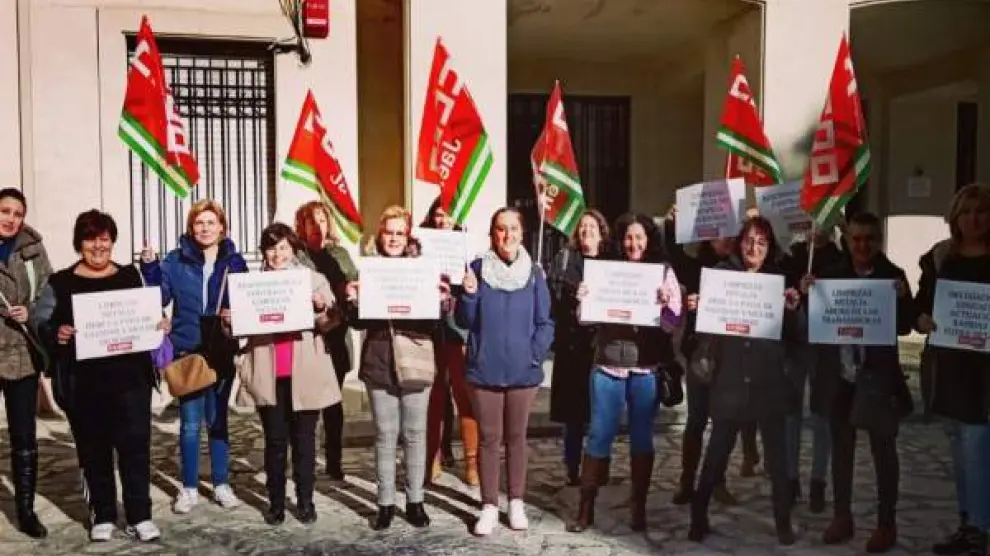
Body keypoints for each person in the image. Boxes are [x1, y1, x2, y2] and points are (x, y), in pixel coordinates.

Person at [44, 210, 167, 542]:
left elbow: (150, 314)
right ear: (78, 243)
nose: (98, 246)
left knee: (135, 448)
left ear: (112, 241)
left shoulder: (130, 275)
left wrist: (160, 324)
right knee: (93, 449)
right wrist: (58, 333)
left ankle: (140, 515)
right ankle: (103, 514)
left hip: (132, 381)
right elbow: (44, 325)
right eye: (90, 239)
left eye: (104, 239)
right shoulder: (61, 282)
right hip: (84, 383)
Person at [802, 212, 914, 553]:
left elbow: (905, 326)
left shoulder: (893, 275)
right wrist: (808, 293)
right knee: (842, 449)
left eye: (869, 238)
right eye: (856, 238)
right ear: (847, 240)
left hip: (877, 377)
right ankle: (842, 516)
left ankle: (886, 523)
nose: (863, 245)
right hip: (841, 375)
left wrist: (903, 299)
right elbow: (815, 322)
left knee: (883, 451)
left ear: (879, 240)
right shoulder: (830, 275)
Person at [688, 216, 804, 546]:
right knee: (717, 452)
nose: (754, 247)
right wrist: (698, 307)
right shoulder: (721, 275)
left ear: (770, 248)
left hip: (769, 380)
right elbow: (706, 328)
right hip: (730, 378)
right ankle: (698, 514)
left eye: (762, 242)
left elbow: (797, 335)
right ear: (739, 243)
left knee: (777, 458)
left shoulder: (778, 281)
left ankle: (782, 520)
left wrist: (793, 311)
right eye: (749, 240)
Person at [567, 212, 682, 533]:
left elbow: (673, 323)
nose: (634, 244)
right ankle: (586, 507)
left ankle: (638, 507)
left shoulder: (663, 272)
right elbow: (585, 318)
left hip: (645, 369)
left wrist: (665, 305)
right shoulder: (606, 270)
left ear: (649, 240)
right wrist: (583, 300)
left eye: (639, 237)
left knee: (642, 437)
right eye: (629, 238)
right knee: (600, 433)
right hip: (608, 365)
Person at [232, 223, 343, 525]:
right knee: (275, 442)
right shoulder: (252, 285)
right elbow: (238, 329)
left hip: (304, 373)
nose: (277, 254)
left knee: (305, 442)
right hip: (269, 373)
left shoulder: (314, 280)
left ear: (293, 250)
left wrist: (321, 308)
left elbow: (331, 323)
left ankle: (305, 500)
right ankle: (276, 503)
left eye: (283, 247)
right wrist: (230, 321)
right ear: (263, 252)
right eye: (271, 248)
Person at [141, 199, 247, 514]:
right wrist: (149, 267)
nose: (205, 228)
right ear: (191, 227)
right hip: (188, 351)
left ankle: (221, 484)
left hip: (221, 350)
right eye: (199, 223)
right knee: (189, 424)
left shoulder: (234, 261)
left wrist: (235, 314)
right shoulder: (175, 261)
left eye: (211, 222)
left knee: (218, 421)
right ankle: (188, 488)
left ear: (222, 227)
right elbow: (158, 296)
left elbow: (246, 300)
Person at [346, 205, 448, 530]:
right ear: (380, 235)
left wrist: (440, 302)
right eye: (389, 233)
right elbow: (358, 322)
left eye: (399, 233)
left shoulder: (423, 270)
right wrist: (352, 299)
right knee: (385, 435)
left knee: (415, 434)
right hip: (379, 361)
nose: (393, 239)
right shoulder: (369, 269)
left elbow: (433, 324)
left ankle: (415, 501)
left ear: (408, 237)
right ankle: (385, 503)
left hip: (415, 360)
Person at [457, 207, 554, 536]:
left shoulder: (534, 274)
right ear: (492, 234)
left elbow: (545, 321)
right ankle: (488, 505)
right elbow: (464, 321)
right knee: (488, 439)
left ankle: (515, 502)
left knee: (516, 438)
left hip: (522, 372)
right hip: (485, 370)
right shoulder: (476, 269)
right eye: (501, 228)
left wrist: (534, 353)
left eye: (513, 228)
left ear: (522, 233)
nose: (507, 235)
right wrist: (469, 296)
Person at [915, 183, 990, 556]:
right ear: (955, 218)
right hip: (949, 368)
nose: (974, 219)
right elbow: (921, 305)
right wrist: (922, 318)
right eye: (967, 212)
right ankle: (968, 523)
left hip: (985, 374)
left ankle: (978, 530)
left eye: (982, 211)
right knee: (960, 450)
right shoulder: (941, 258)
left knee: (977, 448)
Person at [662, 208, 742, 507]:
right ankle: (686, 481)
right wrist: (671, 225)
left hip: (733, 356)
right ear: (709, 236)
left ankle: (717, 480)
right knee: (697, 420)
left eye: (733, 233)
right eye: (721, 234)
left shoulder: (743, 269)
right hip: (702, 356)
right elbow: (674, 255)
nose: (728, 239)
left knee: (726, 423)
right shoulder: (694, 266)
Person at [0, 188, 51, 538]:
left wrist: (29, 311)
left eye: (18, 214)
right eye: (5, 211)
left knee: (24, 437)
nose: (11, 219)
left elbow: (49, 295)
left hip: (22, 354)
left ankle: (26, 511)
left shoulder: (33, 248)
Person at [782, 226, 844, 512]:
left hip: (825, 346)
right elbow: (781, 295)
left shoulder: (839, 259)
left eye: (821, 223)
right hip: (794, 345)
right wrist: (798, 288)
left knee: (822, 415)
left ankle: (818, 480)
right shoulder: (791, 257)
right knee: (791, 414)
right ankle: (790, 478)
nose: (815, 229)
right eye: (808, 224)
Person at [294, 201, 357, 481]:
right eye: (312, 221)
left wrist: (352, 290)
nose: (317, 226)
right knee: (307, 404)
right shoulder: (297, 257)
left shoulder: (340, 255)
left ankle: (334, 460)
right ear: (302, 225)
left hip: (337, 336)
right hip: (308, 339)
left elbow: (355, 284)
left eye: (322, 220)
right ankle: (304, 460)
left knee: (333, 401)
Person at [547, 209, 609, 486]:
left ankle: (599, 466)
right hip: (572, 348)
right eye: (583, 227)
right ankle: (572, 467)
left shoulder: (611, 263)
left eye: (592, 227)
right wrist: (573, 297)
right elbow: (553, 300)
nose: (587, 232)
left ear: (601, 233)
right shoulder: (564, 260)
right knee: (574, 417)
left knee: (602, 413)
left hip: (602, 348)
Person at [420, 197, 479, 486]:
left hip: (458, 332)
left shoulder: (465, 248)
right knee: (434, 397)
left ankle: (472, 463)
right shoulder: (420, 245)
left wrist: (467, 283)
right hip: (430, 330)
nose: (443, 221)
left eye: (448, 215)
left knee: (464, 397)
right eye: (438, 215)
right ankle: (432, 458)